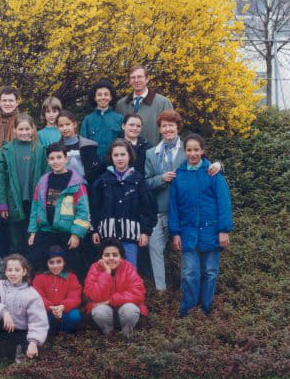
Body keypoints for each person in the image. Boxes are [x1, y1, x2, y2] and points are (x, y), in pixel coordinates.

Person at [144, 110, 223, 291]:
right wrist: (161, 178)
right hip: (160, 210)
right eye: (164, 126)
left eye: (171, 125)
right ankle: (161, 292)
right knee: (155, 250)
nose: (168, 129)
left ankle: (185, 291)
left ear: (178, 127)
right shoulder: (151, 153)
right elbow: (145, 182)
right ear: (159, 129)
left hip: (184, 212)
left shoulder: (188, 147)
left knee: (187, 253)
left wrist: (220, 165)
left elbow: (207, 167)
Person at [169, 134, 232, 317]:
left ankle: (206, 309)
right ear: (184, 152)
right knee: (190, 272)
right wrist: (175, 232)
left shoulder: (212, 173)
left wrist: (223, 230)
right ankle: (188, 311)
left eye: (196, 149)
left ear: (202, 151)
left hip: (211, 231)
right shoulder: (179, 176)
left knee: (210, 272)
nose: (193, 153)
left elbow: (224, 203)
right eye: (189, 150)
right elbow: (174, 207)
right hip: (188, 233)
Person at [27, 142, 91, 278]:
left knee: (72, 267)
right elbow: (35, 207)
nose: (56, 161)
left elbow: (83, 212)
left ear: (66, 158)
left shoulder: (76, 183)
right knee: (36, 263)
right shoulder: (43, 181)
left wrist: (76, 234)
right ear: (48, 160)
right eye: (52, 158)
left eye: (59, 157)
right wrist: (33, 231)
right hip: (45, 231)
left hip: (67, 233)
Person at [90, 139, 156, 266]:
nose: (119, 158)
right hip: (107, 238)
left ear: (130, 156)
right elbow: (94, 207)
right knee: (108, 273)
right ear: (111, 157)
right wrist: (94, 230)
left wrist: (145, 231)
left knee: (129, 272)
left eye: (123, 154)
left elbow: (149, 208)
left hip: (130, 239)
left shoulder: (138, 181)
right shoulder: (102, 181)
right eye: (116, 155)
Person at [0, 254, 49, 374]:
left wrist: (33, 342)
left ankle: (18, 350)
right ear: (5, 271)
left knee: (33, 354)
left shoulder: (32, 294)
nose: (13, 273)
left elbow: (38, 321)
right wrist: (3, 312)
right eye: (9, 270)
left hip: (20, 331)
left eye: (17, 270)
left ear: (24, 271)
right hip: (1, 327)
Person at [0, 115, 49, 255]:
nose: (24, 132)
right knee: (15, 240)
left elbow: (46, 176)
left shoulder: (40, 149)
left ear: (33, 129)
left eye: (27, 129)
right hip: (13, 201)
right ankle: (15, 265)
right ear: (15, 130)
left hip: (34, 201)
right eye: (21, 129)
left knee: (32, 238)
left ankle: (30, 266)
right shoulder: (6, 150)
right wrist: (2, 204)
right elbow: (0, 179)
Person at [84, 238, 147, 337]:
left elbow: (138, 293)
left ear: (121, 257)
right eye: (106, 255)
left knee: (130, 310)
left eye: (115, 255)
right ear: (101, 257)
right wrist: (106, 273)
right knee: (99, 312)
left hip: (123, 308)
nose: (111, 258)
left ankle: (127, 335)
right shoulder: (94, 268)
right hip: (105, 312)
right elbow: (92, 295)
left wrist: (111, 300)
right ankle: (109, 334)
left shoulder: (128, 267)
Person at [0, 86, 31, 180]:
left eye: (11, 100)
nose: (7, 104)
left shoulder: (25, 123)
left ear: (17, 102)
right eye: (4, 100)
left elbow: (33, 149)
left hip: (18, 175)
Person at [115, 64, 174, 145]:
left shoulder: (163, 103)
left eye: (140, 77)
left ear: (147, 79)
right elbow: (119, 132)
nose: (136, 80)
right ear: (129, 81)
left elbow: (169, 132)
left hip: (154, 152)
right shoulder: (121, 104)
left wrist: (157, 151)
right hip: (127, 152)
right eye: (133, 77)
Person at [31, 246, 83, 334]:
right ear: (47, 263)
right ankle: (49, 332)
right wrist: (50, 307)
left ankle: (66, 332)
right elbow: (37, 296)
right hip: (47, 310)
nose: (55, 266)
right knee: (38, 316)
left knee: (75, 316)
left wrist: (63, 306)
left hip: (65, 310)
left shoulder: (71, 277)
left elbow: (75, 297)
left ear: (64, 262)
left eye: (59, 262)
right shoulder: (39, 277)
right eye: (51, 262)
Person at [56, 110, 105, 185]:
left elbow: (96, 172)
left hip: (85, 186)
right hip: (64, 187)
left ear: (74, 124)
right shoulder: (56, 149)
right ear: (57, 127)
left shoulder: (88, 146)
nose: (65, 128)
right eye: (61, 126)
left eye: (67, 124)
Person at [80, 79, 123, 162]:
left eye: (106, 94)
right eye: (99, 95)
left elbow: (124, 143)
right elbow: (83, 146)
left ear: (111, 97)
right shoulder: (88, 120)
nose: (103, 97)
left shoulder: (119, 118)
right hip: (94, 163)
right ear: (95, 98)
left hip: (114, 163)